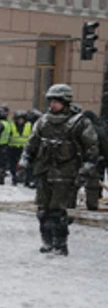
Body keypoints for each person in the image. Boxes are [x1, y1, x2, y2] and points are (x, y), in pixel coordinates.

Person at [19, 84, 99, 256]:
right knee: (42, 211)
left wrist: (84, 172)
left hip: (66, 174)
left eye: (57, 101)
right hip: (44, 172)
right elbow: (31, 145)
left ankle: (60, 244)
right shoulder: (43, 122)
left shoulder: (80, 123)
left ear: (66, 102)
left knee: (58, 211)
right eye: (52, 101)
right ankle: (47, 242)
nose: (53, 105)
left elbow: (92, 151)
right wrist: (25, 162)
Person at [82, 110, 108, 211]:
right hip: (99, 158)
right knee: (96, 180)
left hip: (96, 159)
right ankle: (96, 198)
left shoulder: (94, 129)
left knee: (93, 181)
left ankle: (94, 201)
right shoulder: (100, 126)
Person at [8, 110, 31, 186]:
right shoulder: (11, 125)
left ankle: (26, 180)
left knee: (26, 165)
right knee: (13, 165)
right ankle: (14, 178)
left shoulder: (29, 125)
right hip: (13, 148)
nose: (20, 121)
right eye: (19, 119)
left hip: (24, 148)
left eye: (22, 119)